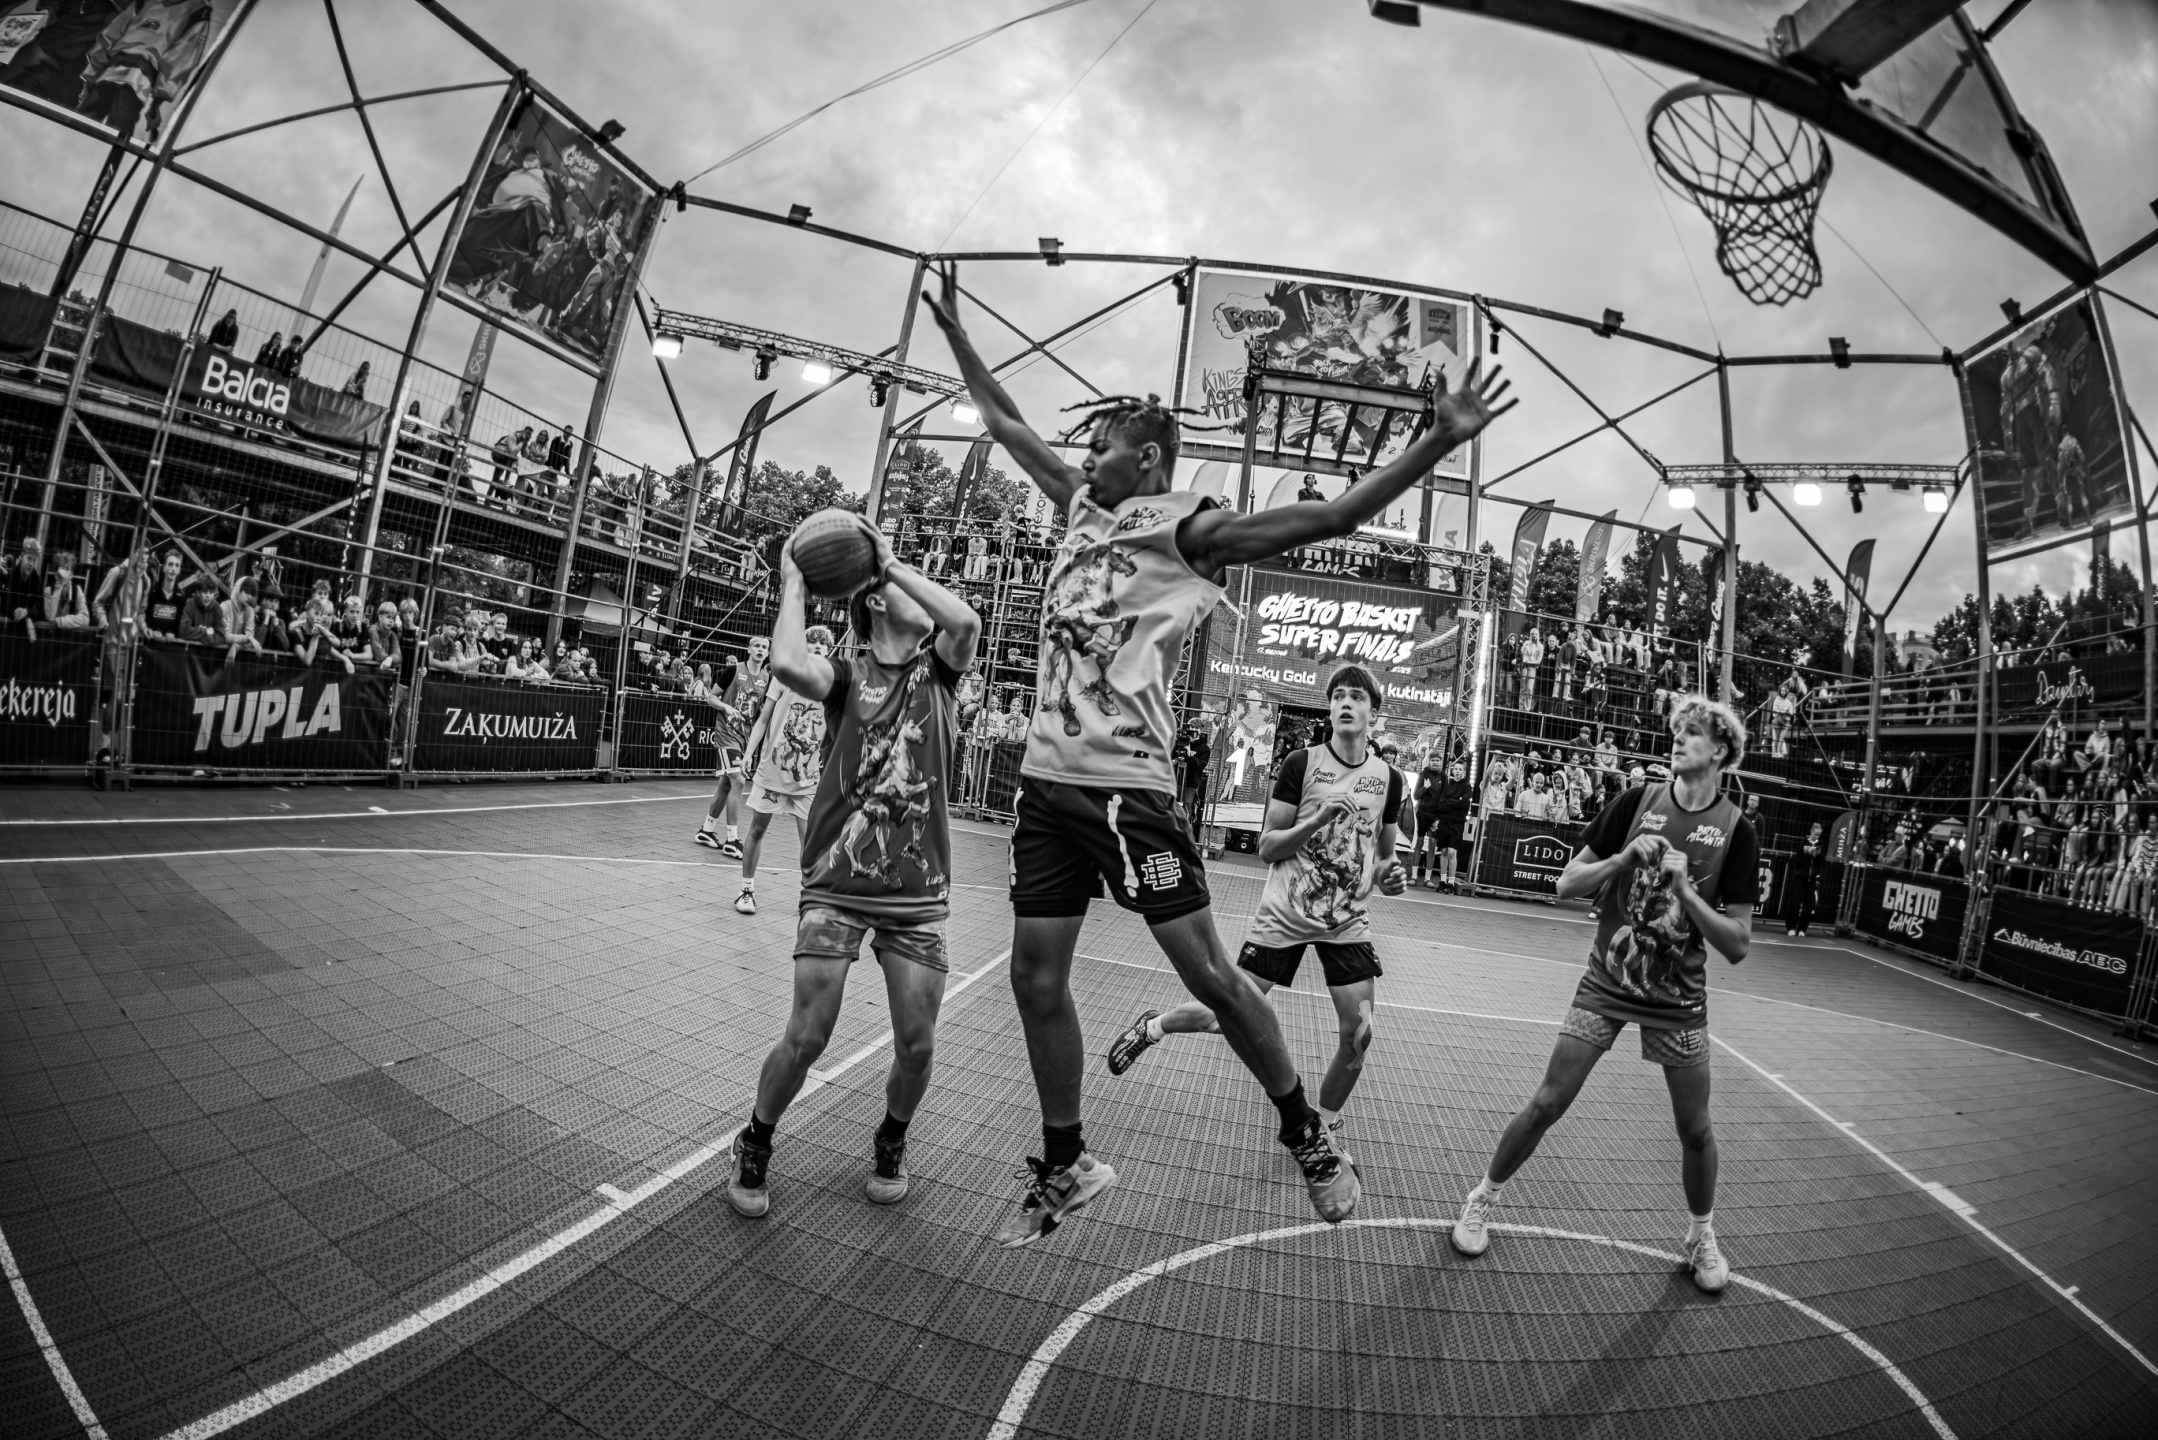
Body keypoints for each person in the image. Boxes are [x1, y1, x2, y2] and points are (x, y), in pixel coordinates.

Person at [925, 259, 1512, 1243]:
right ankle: (1066, 1162)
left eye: (1103, 447)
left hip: (1128, 791)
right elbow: (1006, 422)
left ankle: (1305, 1132)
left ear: (1149, 458)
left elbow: (1332, 516)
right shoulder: (1079, 506)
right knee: (1035, 979)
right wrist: (957, 338)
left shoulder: (1189, 529)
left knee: (1211, 978)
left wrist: (1436, 440)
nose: (1085, 456)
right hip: (1045, 789)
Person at [1450, 697, 1758, 1295]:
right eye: (1677, 731)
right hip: (1606, 983)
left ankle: (1701, 1234)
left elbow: (1739, 943)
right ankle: (1481, 1198)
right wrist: (1621, 858)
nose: (1678, 740)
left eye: (1693, 733)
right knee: (1548, 1101)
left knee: (1696, 1130)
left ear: (1721, 750)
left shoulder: (1737, 832)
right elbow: (1566, 884)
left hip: (1677, 1000)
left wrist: (1686, 894)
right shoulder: (1636, 802)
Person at [723, 523, 981, 1216]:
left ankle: (892, 1138)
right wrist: (794, 580)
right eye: (901, 584)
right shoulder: (845, 677)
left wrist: (889, 563)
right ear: (873, 601)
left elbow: (965, 621)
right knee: (807, 1035)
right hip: (837, 884)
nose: (922, 592)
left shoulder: (940, 673)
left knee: (917, 1045)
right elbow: (786, 664)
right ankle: (755, 1139)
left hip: (916, 895)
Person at [1105, 667, 1408, 1157]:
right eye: (1338, 696)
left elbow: (1385, 858)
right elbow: (1267, 847)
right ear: (1330, 707)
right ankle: (1154, 1026)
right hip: (1284, 917)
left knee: (1360, 1034)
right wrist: (1318, 819)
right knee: (1224, 1016)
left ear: (1374, 712)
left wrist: (1391, 877)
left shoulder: (1388, 780)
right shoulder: (1301, 763)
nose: (1346, 703)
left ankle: (1323, 1129)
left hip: (1346, 923)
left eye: (1356, 696)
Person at [733, 626, 835, 915]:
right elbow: (763, 720)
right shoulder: (784, 676)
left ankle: (810, 897)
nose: (816, 647)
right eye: (811, 643)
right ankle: (746, 891)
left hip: (807, 778)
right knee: (757, 828)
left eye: (822, 645)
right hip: (773, 772)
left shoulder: (833, 685)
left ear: (828, 651)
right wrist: (749, 753)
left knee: (810, 840)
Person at [694, 651, 755, 857]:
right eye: (757, 646)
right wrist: (726, 707)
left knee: (726, 784)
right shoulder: (734, 671)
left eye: (764, 647)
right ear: (749, 649)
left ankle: (706, 830)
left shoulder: (767, 678)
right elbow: (711, 698)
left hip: (744, 737)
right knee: (739, 780)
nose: (760, 650)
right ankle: (732, 840)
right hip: (726, 734)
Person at [1414, 754, 1472, 892]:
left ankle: (1440, 881)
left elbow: (1462, 803)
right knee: (1430, 846)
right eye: (1455, 769)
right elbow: (1436, 801)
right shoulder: (1428, 776)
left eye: (1460, 769)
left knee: (1444, 849)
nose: (1457, 771)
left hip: (1448, 820)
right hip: (1433, 817)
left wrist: (1449, 802)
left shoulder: (1459, 783)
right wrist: (1455, 801)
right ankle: (1425, 878)